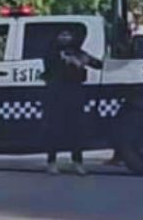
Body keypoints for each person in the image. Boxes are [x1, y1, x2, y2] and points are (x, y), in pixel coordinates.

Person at [42, 29, 102, 176]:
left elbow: (97, 64)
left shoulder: (78, 52)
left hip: (75, 94)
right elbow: (48, 67)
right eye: (62, 35)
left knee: (76, 129)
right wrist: (63, 59)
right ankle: (51, 162)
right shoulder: (51, 52)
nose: (65, 38)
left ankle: (77, 162)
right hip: (56, 95)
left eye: (68, 35)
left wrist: (82, 61)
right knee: (54, 129)